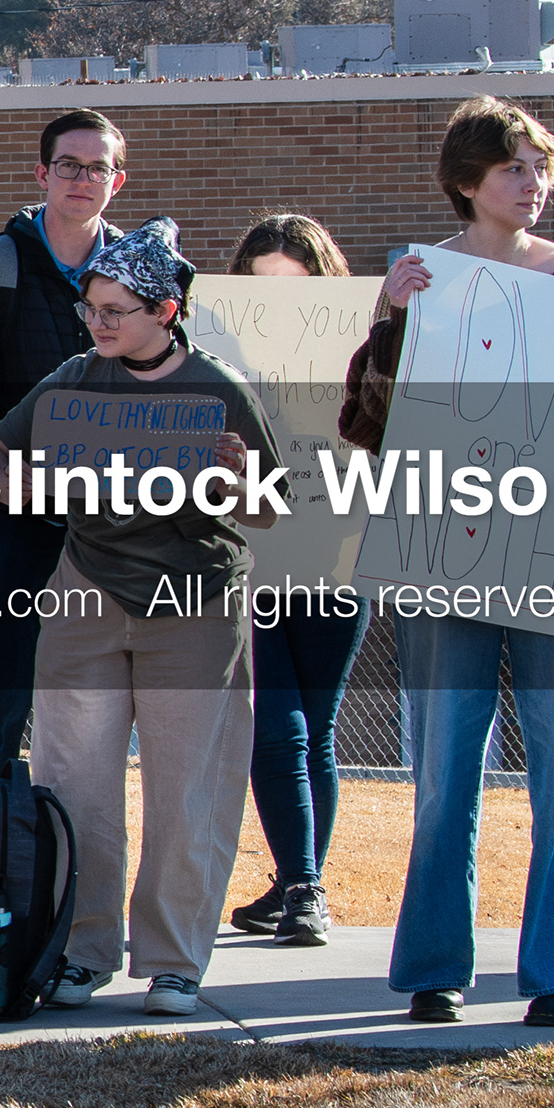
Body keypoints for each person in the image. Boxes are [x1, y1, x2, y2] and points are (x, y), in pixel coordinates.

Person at [336, 101, 554, 1027]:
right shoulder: (423, 279)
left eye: (543, 169)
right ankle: (435, 966)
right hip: (447, 556)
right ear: (467, 180)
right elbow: (366, 423)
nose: (535, 184)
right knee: (444, 768)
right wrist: (389, 319)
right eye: (516, 169)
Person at [0, 222, 284, 1018]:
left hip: (196, 604)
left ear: (166, 311)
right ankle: (82, 952)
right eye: (92, 310)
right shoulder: (76, 378)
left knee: (187, 791)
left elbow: (272, 512)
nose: (99, 324)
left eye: (116, 311)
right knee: (76, 785)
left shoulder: (217, 389)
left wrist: (240, 480)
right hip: (88, 596)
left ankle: (175, 962)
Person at [0, 109, 128, 781]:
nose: (81, 179)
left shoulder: (143, 278)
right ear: (43, 174)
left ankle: (79, 859)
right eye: (68, 165)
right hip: (16, 517)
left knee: (103, 694)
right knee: (7, 684)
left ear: (116, 182)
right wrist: (6, 478)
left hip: (116, 524)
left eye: (97, 168)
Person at [224, 213, 363, 949]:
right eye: (262, 284)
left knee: (318, 729)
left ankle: (293, 882)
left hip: (335, 562)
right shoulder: (220, 356)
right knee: (275, 727)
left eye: (294, 284)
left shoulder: (357, 354)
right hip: (248, 560)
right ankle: (305, 888)